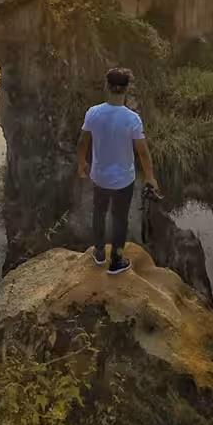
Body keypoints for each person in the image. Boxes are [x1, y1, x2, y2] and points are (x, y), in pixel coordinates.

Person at [77, 67, 158, 275]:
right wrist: (150, 177)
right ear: (127, 89)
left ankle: (98, 253)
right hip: (123, 180)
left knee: (99, 212)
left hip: (100, 176)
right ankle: (116, 261)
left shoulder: (93, 112)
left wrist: (81, 164)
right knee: (120, 219)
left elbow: (82, 141)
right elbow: (143, 152)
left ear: (107, 86)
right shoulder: (131, 118)